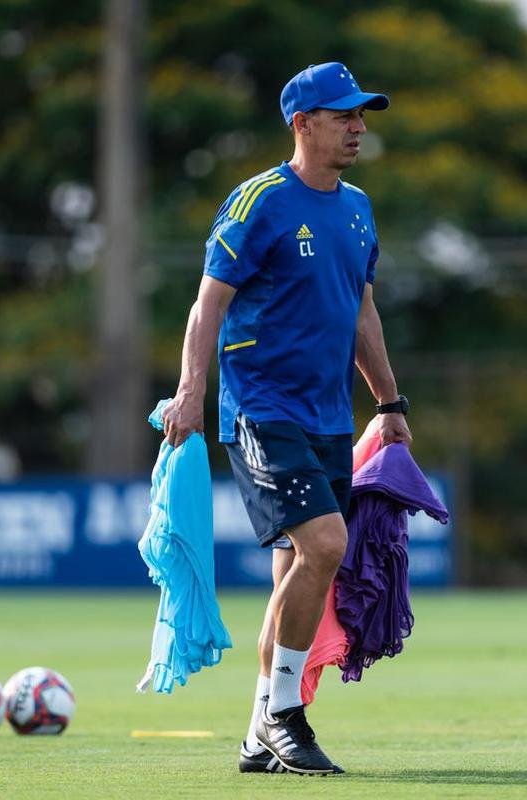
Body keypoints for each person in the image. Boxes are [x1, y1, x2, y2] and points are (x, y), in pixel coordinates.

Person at [161, 61, 412, 776]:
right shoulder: (258, 201)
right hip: (262, 409)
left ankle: (254, 735)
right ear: (302, 124)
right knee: (325, 546)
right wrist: (190, 392)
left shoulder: (358, 207)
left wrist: (389, 404)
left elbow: (361, 312)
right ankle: (282, 716)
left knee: (292, 575)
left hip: (329, 416)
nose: (358, 127)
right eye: (343, 116)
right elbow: (207, 303)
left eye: (361, 115)